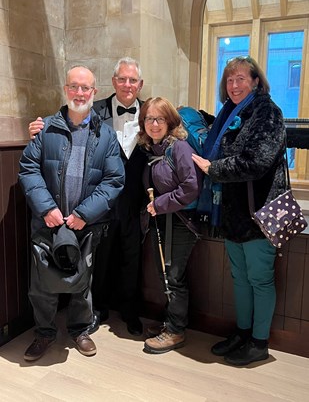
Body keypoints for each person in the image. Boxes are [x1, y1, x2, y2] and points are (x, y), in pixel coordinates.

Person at [28, 57, 147, 336]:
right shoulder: (70, 120)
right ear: (111, 83)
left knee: (127, 260)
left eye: (133, 80)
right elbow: (31, 167)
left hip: (131, 203)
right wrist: (36, 130)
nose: (127, 85)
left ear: (140, 85)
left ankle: (126, 313)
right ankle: (91, 314)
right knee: (92, 266)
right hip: (86, 207)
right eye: (121, 79)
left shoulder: (148, 113)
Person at [19, 65, 125, 361]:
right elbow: (28, 169)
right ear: (66, 90)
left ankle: (80, 330)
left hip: (85, 224)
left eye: (86, 88)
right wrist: (47, 208)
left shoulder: (106, 135)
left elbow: (114, 180)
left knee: (82, 281)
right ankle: (44, 333)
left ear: (94, 92)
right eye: (74, 87)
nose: (80, 93)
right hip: (47, 221)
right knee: (41, 285)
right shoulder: (46, 128)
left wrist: (83, 214)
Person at [192, 56, 286, 366]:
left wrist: (213, 168)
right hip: (233, 214)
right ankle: (243, 334)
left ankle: (259, 343)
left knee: (259, 280)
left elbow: (257, 162)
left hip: (258, 213)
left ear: (256, 81)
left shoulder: (267, 112)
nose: (234, 85)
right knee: (241, 279)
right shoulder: (230, 113)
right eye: (230, 80)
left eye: (241, 79)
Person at [137, 97, 202, 354]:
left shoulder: (179, 148)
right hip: (163, 220)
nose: (154, 124)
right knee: (166, 274)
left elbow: (191, 187)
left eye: (160, 118)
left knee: (173, 277)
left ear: (170, 121)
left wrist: (161, 204)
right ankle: (170, 323)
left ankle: (176, 331)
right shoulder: (154, 149)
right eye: (149, 119)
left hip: (180, 222)